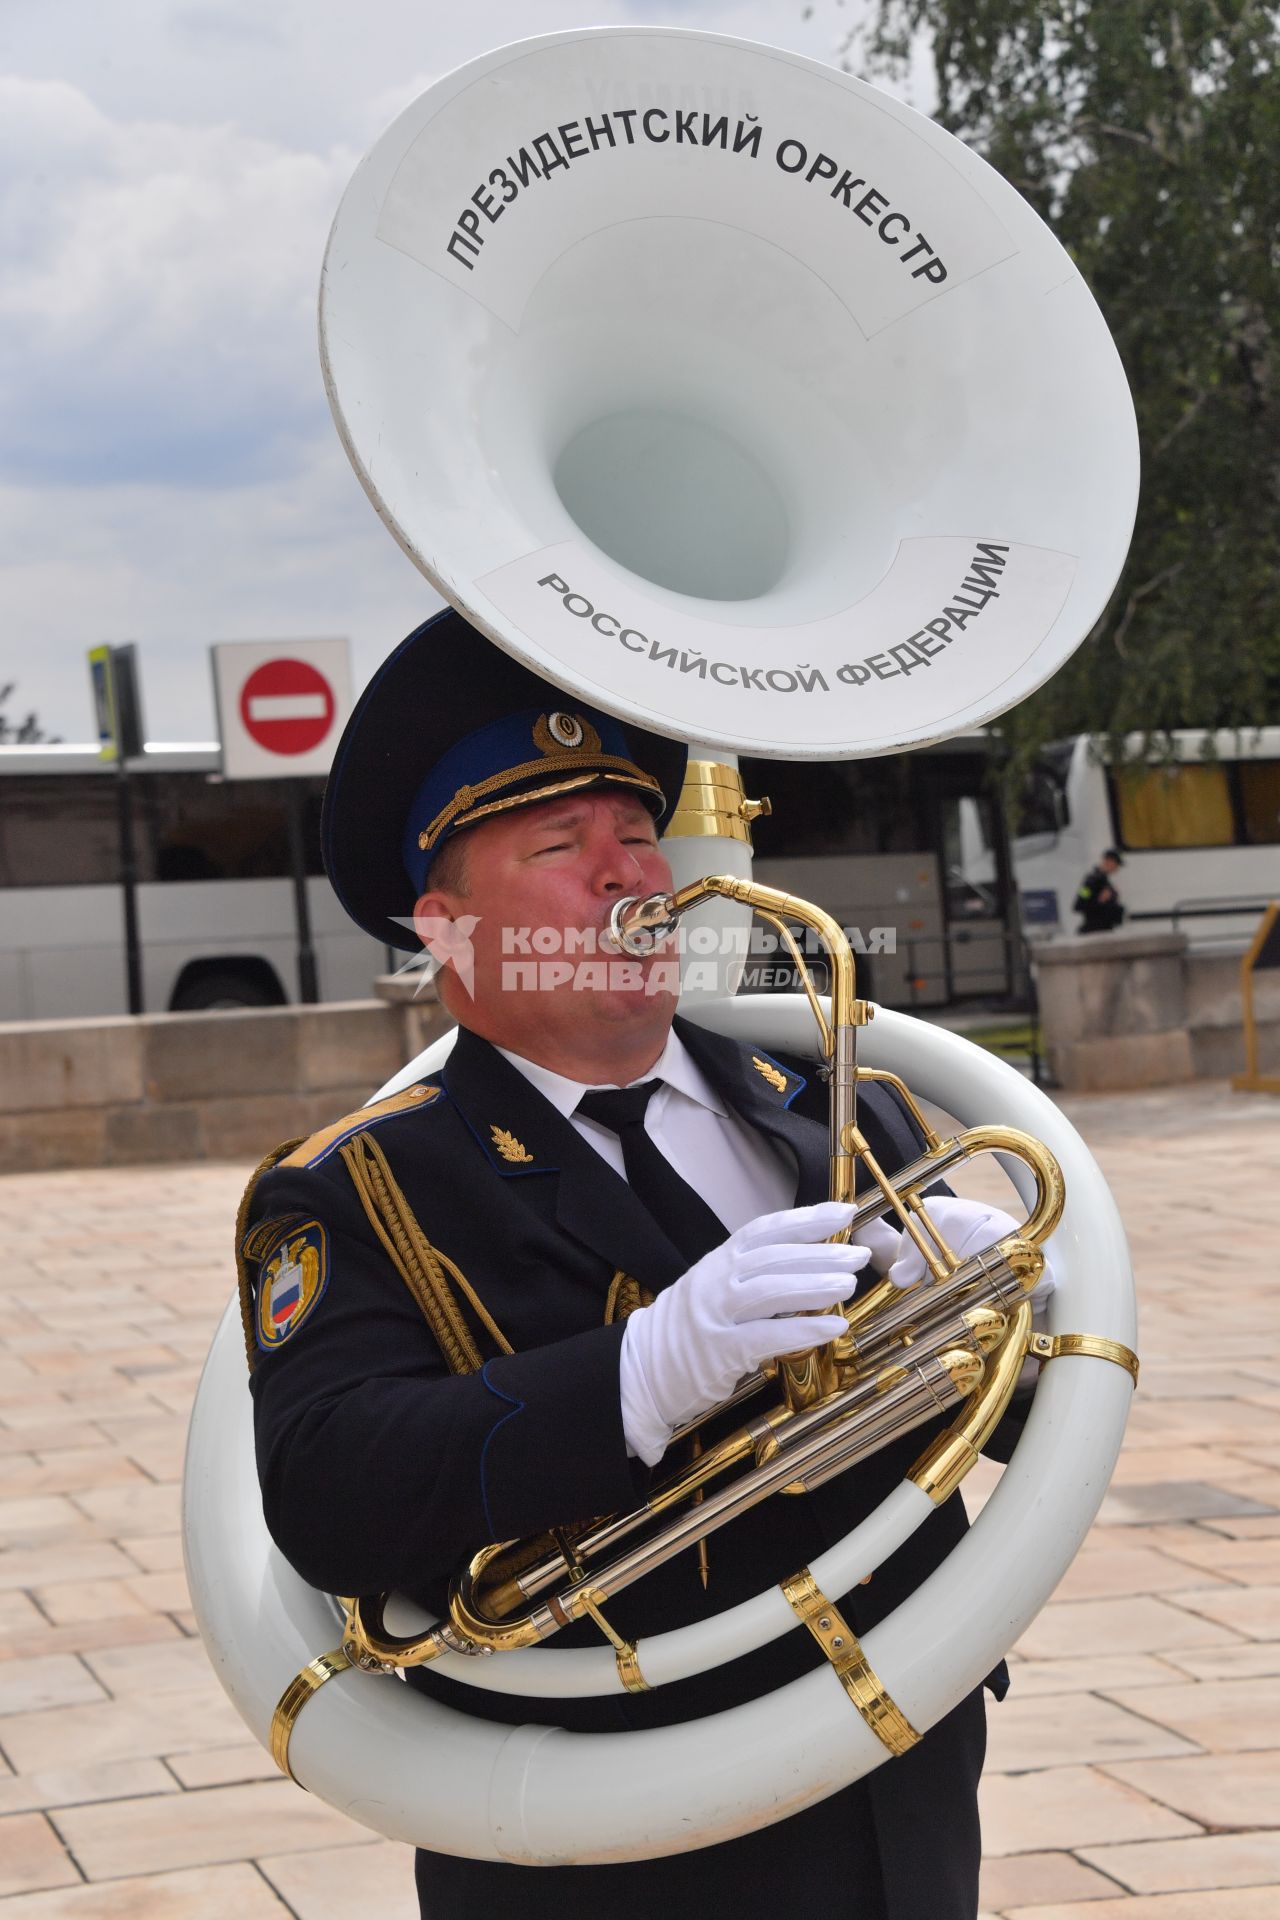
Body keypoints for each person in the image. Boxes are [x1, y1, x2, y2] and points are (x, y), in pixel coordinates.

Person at [238, 610, 1052, 1920]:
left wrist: (1012, 1305)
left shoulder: (844, 1101)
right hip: (605, 1841)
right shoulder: (360, 1187)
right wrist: (641, 1373)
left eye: (635, 836)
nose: (628, 877)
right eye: (563, 848)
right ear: (445, 932)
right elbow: (332, 1488)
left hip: (897, 1778)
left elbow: (1018, 1406)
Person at [1074, 849, 1125, 933]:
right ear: (1109, 861)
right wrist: (1099, 900)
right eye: (1117, 864)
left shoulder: (1104, 881)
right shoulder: (1091, 881)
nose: (1117, 868)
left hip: (1104, 929)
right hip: (1095, 931)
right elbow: (1079, 904)